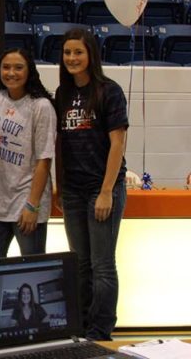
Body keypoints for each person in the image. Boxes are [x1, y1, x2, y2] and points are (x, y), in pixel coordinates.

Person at [55, 28, 128, 341]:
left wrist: (106, 191)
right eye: (68, 52)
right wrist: (60, 185)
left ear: (91, 56)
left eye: (78, 52)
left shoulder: (109, 91)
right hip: (73, 191)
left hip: (102, 189)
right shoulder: (62, 93)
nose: (72, 58)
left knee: (102, 265)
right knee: (81, 264)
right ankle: (81, 327)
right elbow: (59, 144)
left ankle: (101, 330)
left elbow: (118, 144)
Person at [0, 48, 56, 259]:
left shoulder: (41, 106)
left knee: (31, 271)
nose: (11, 73)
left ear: (29, 71)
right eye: (6, 67)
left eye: (18, 67)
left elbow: (44, 160)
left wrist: (32, 205)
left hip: (26, 203)